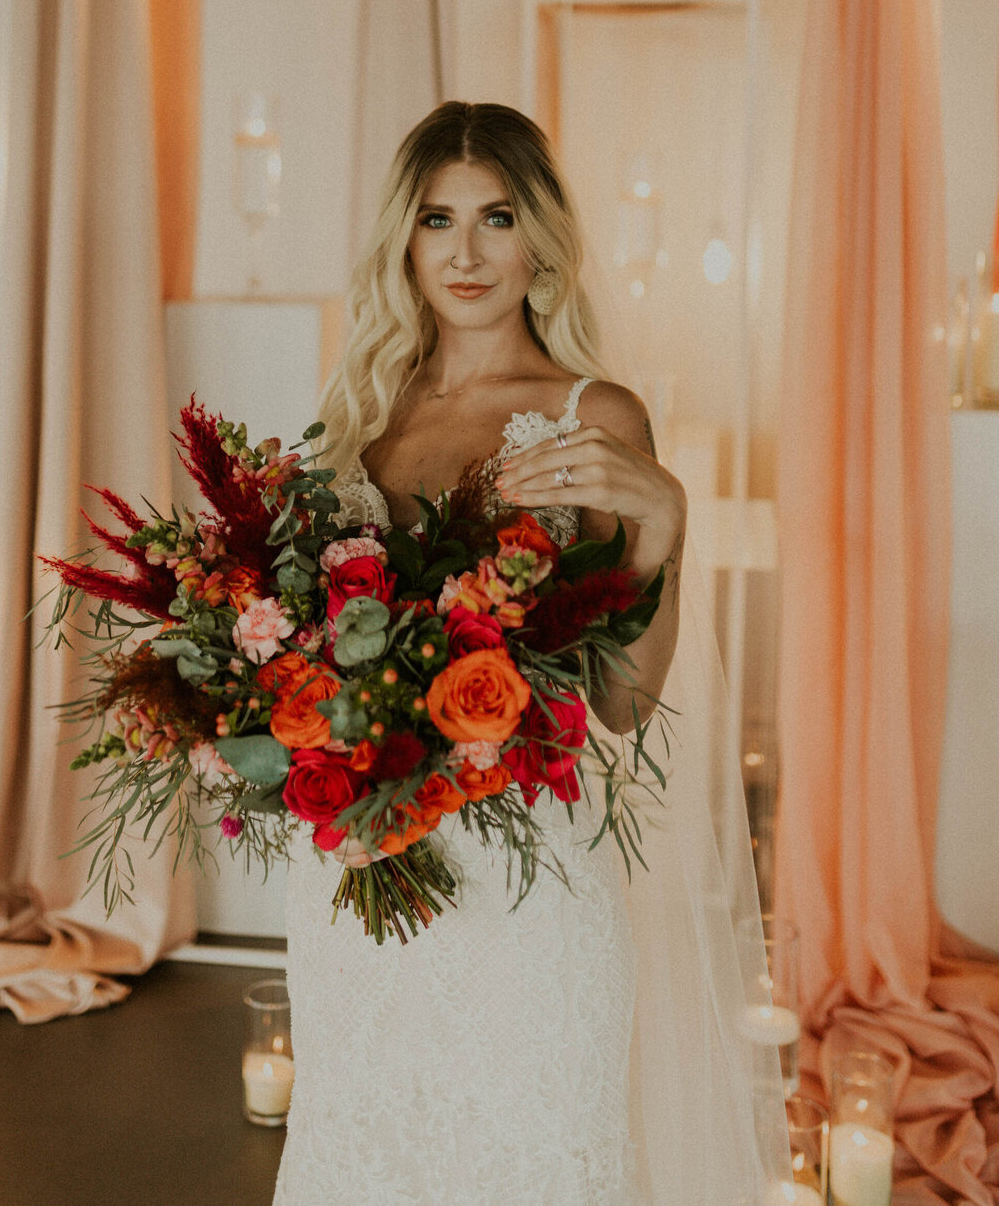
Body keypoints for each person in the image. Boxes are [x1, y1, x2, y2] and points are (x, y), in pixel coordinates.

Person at [272, 102, 787, 1206]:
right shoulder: (356, 415)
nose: (465, 252)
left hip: (529, 898)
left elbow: (627, 702)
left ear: (539, 236)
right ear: (401, 242)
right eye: (437, 218)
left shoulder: (592, 415)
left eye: (496, 217)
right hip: (361, 890)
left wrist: (665, 529)